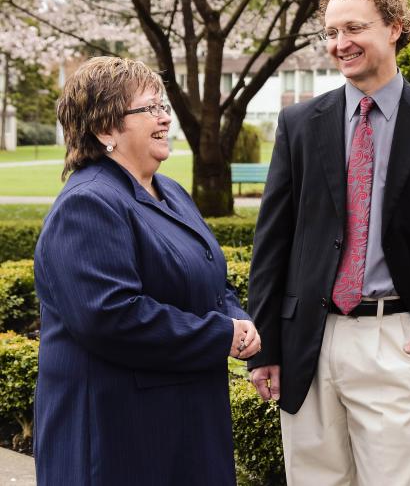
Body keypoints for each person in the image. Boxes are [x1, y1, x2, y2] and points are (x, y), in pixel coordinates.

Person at [246, 0, 410, 485]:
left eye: (354, 28)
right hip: (309, 342)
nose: (341, 44)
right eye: (332, 33)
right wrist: (266, 345)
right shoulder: (299, 124)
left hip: (398, 340)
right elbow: (273, 241)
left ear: (396, 27)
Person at [33, 57, 261, 486]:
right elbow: (110, 317)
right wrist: (219, 334)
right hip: (120, 437)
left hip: (184, 421)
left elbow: (206, 278)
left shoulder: (169, 190)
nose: (164, 118)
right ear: (106, 130)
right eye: (149, 109)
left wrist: (239, 320)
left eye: (163, 107)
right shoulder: (88, 204)